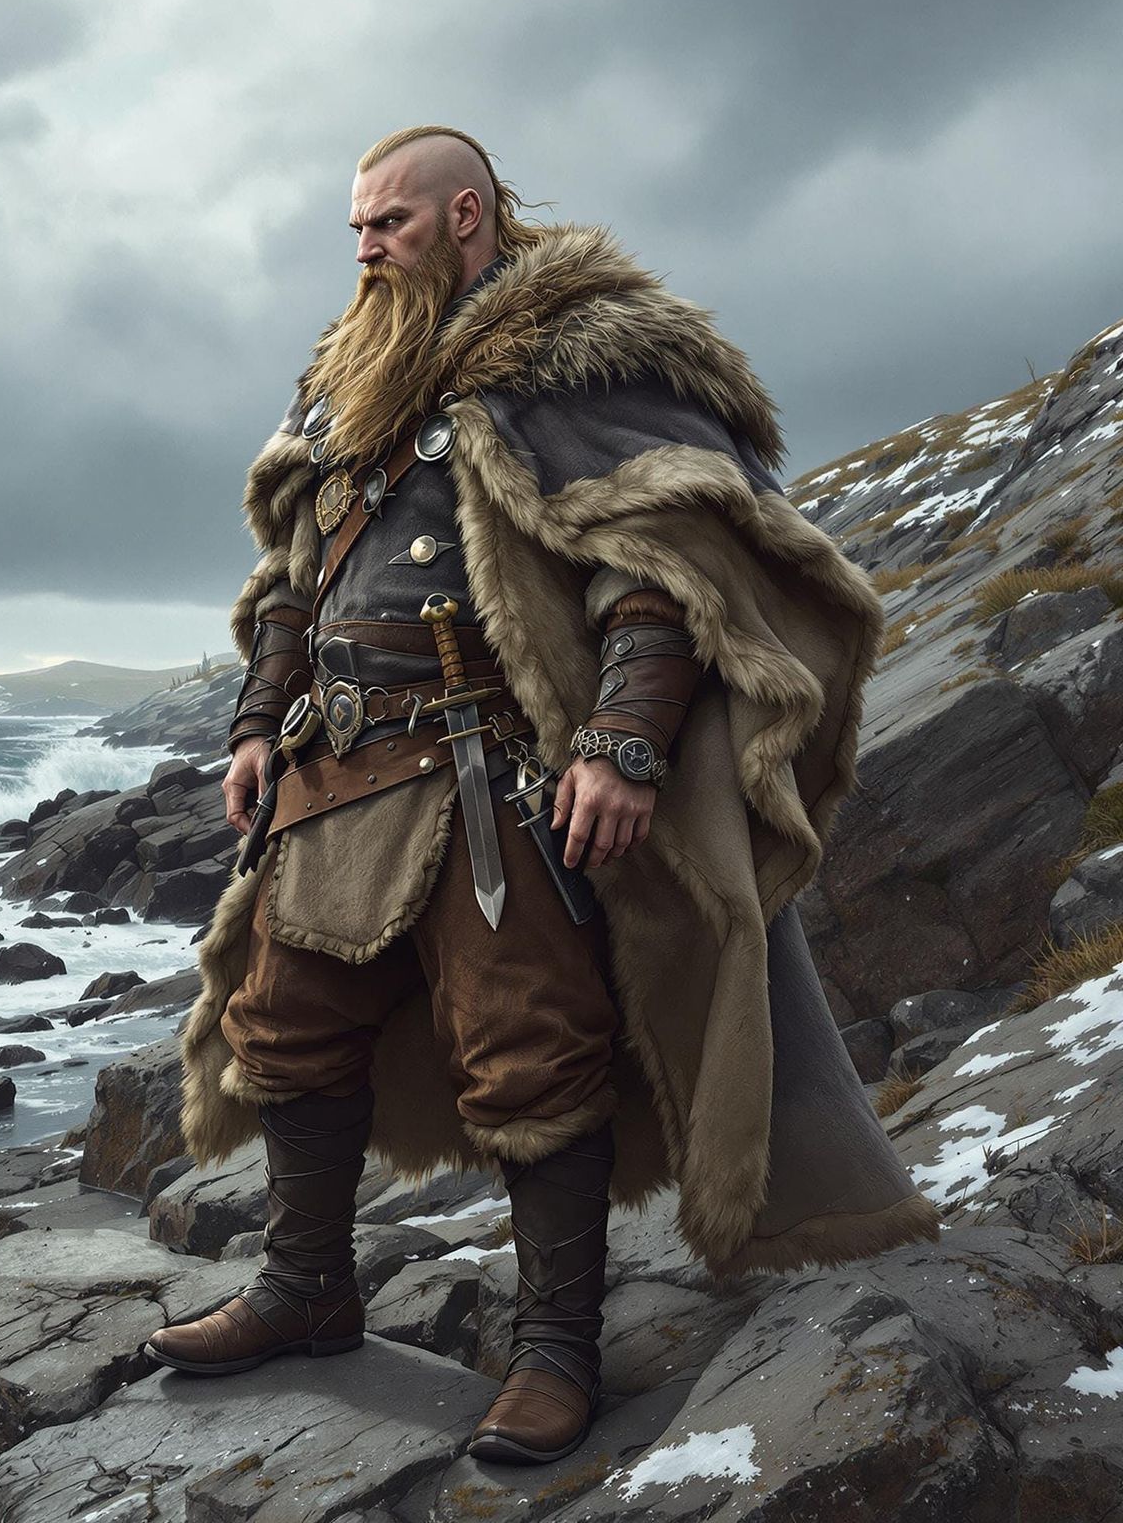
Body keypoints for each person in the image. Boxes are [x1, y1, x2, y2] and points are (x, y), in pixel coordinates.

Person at [139, 126, 941, 1466]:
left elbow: (658, 567)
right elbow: (295, 581)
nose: (365, 248)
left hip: (488, 775)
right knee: (283, 1028)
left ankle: (557, 1348)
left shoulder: (576, 357)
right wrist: (256, 727)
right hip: (336, 771)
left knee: (531, 1052)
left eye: (389, 222)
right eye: (355, 227)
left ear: (466, 215)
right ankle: (306, 1290)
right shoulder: (345, 383)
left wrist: (623, 746)